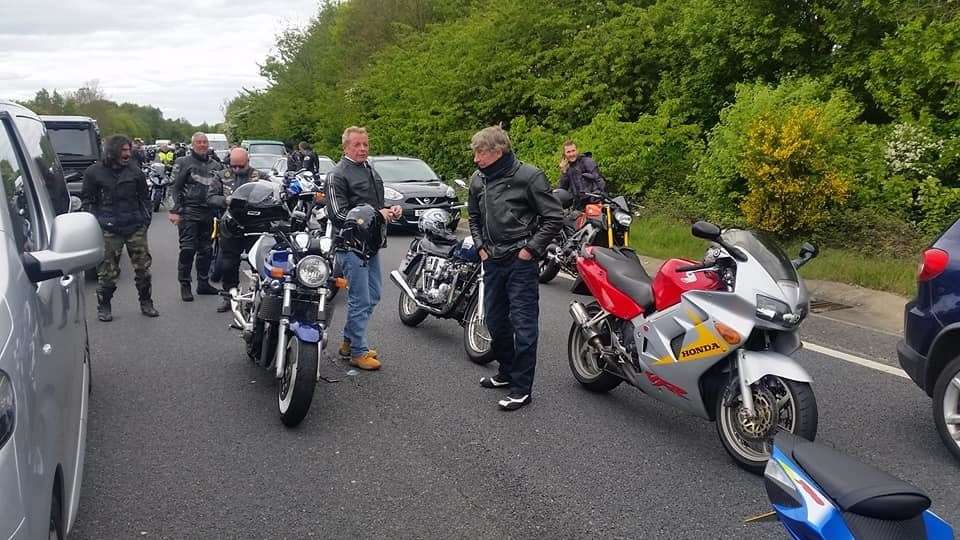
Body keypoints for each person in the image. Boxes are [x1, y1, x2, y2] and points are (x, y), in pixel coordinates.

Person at [467, 126, 563, 410]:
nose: (475, 159)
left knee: (523, 326)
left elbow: (554, 217)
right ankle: (506, 372)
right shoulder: (477, 179)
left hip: (520, 261)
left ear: (499, 151)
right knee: (495, 321)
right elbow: (472, 215)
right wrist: (480, 246)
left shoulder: (529, 176)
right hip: (492, 259)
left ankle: (522, 388)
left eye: (480, 152)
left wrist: (529, 250)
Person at [326, 126, 402, 370]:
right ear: (345, 147)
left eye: (365, 144)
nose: (362, 149)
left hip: (371, 244)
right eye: (357, 145)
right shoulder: (337, 174)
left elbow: (373, 205)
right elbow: (338, 214)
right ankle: (358, 351)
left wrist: (390, 209)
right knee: (360, 299)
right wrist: (378, 215)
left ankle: (349, 342)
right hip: (350, 246)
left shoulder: (368, 168)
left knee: (374, 295)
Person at [80, 134, 160, 321]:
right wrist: (96, 222)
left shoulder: (135, 171)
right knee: (107, 273)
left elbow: (145, 199)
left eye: (129, 149)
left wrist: (144, 220)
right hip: (108, 228)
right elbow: (87, 201)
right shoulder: (94, 172)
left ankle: (146, 303)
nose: (127, 153)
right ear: (112, 151)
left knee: (143, 269)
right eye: (123, 150)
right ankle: (104, 305)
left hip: (134, 226)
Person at [209, 148, 267, 312]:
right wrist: (225, 200)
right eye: (233, 166)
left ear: (247, 162)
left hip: (255, 226)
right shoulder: (221, 176)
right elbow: (210, 197)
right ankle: (229, 297)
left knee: (257, 263)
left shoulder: (260, 176)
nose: (236, 170)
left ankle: (257, 298)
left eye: (240, 166)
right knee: (228, 265)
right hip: (230, 225)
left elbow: (273, 194)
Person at [169, 132, 222, 301]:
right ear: (193, 144)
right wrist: (175, 210)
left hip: (209, 212)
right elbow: (174, 187)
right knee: (187, 249)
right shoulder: (182, 162)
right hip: (188, 211)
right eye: (199, 142)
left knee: (206, 250)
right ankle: (185, 285)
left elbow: (223, 188)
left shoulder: (216, 165)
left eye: (204, 142)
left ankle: (203, 284)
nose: (202, 145)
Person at [557, 139, 606, 210]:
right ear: (564, 154)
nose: (571, 154)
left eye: (573, 151)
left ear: (577, 150)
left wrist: (597, 195)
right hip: (578, 207)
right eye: (568, 152)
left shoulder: (587, 162)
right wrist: (563, 172)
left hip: (594, 202)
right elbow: (562, 190)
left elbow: (599, 181)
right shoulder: (567, 168)